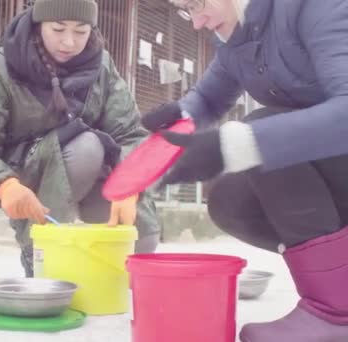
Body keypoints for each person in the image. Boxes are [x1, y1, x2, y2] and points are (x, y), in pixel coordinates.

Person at [140, 0, 348, 341]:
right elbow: (208, 99)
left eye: (198, 4)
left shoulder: (315, 7)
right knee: (229, 201)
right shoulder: (238, 44)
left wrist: (232, 144)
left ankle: (337, 312)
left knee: (261, 131)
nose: (196, 22)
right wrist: (180, 119)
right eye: (186, 10)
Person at [0, 0, 160, 278]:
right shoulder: (4, 66)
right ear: (40, 24)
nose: (69, 42)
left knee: (140, 248)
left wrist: (130, 186)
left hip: (97, 170)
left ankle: (96, 261)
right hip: (30, 175)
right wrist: (4, 185)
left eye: (81, 31)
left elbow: (132, 134)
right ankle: (39, 249)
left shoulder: (101, 64)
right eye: (58, 29)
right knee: (86, 147)